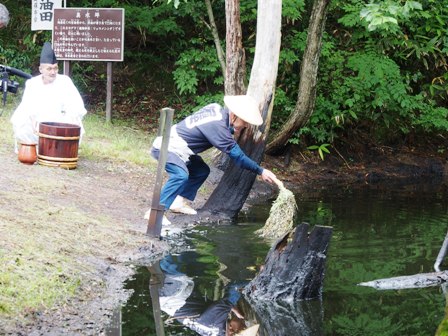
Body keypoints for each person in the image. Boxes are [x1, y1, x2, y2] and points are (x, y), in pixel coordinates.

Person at [144, 95, 278, 225]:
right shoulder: (219, 127)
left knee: (201, 171)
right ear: (234, 115)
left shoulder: (215, 108)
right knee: (180, 175)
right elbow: (239, 158)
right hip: (167, 147)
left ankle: (178, 202)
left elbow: (207, 126)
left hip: (182, 148)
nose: (246, 126)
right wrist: (261, 171)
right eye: (245, 122)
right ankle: (155, 212)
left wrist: (232, 128)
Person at [10, 42, 87, 151]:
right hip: (37, 123)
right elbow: (26, 106)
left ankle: (62, 150)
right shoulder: (32, 83)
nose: (53, 72)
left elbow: (77, 106)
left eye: (55, 68)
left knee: (74, 121)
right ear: (41, 69)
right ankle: (34, 148)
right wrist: (32, 120)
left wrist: (67, 116)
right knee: (21, 119)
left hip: (60, 123)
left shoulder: (65, 81)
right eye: (49, 69)